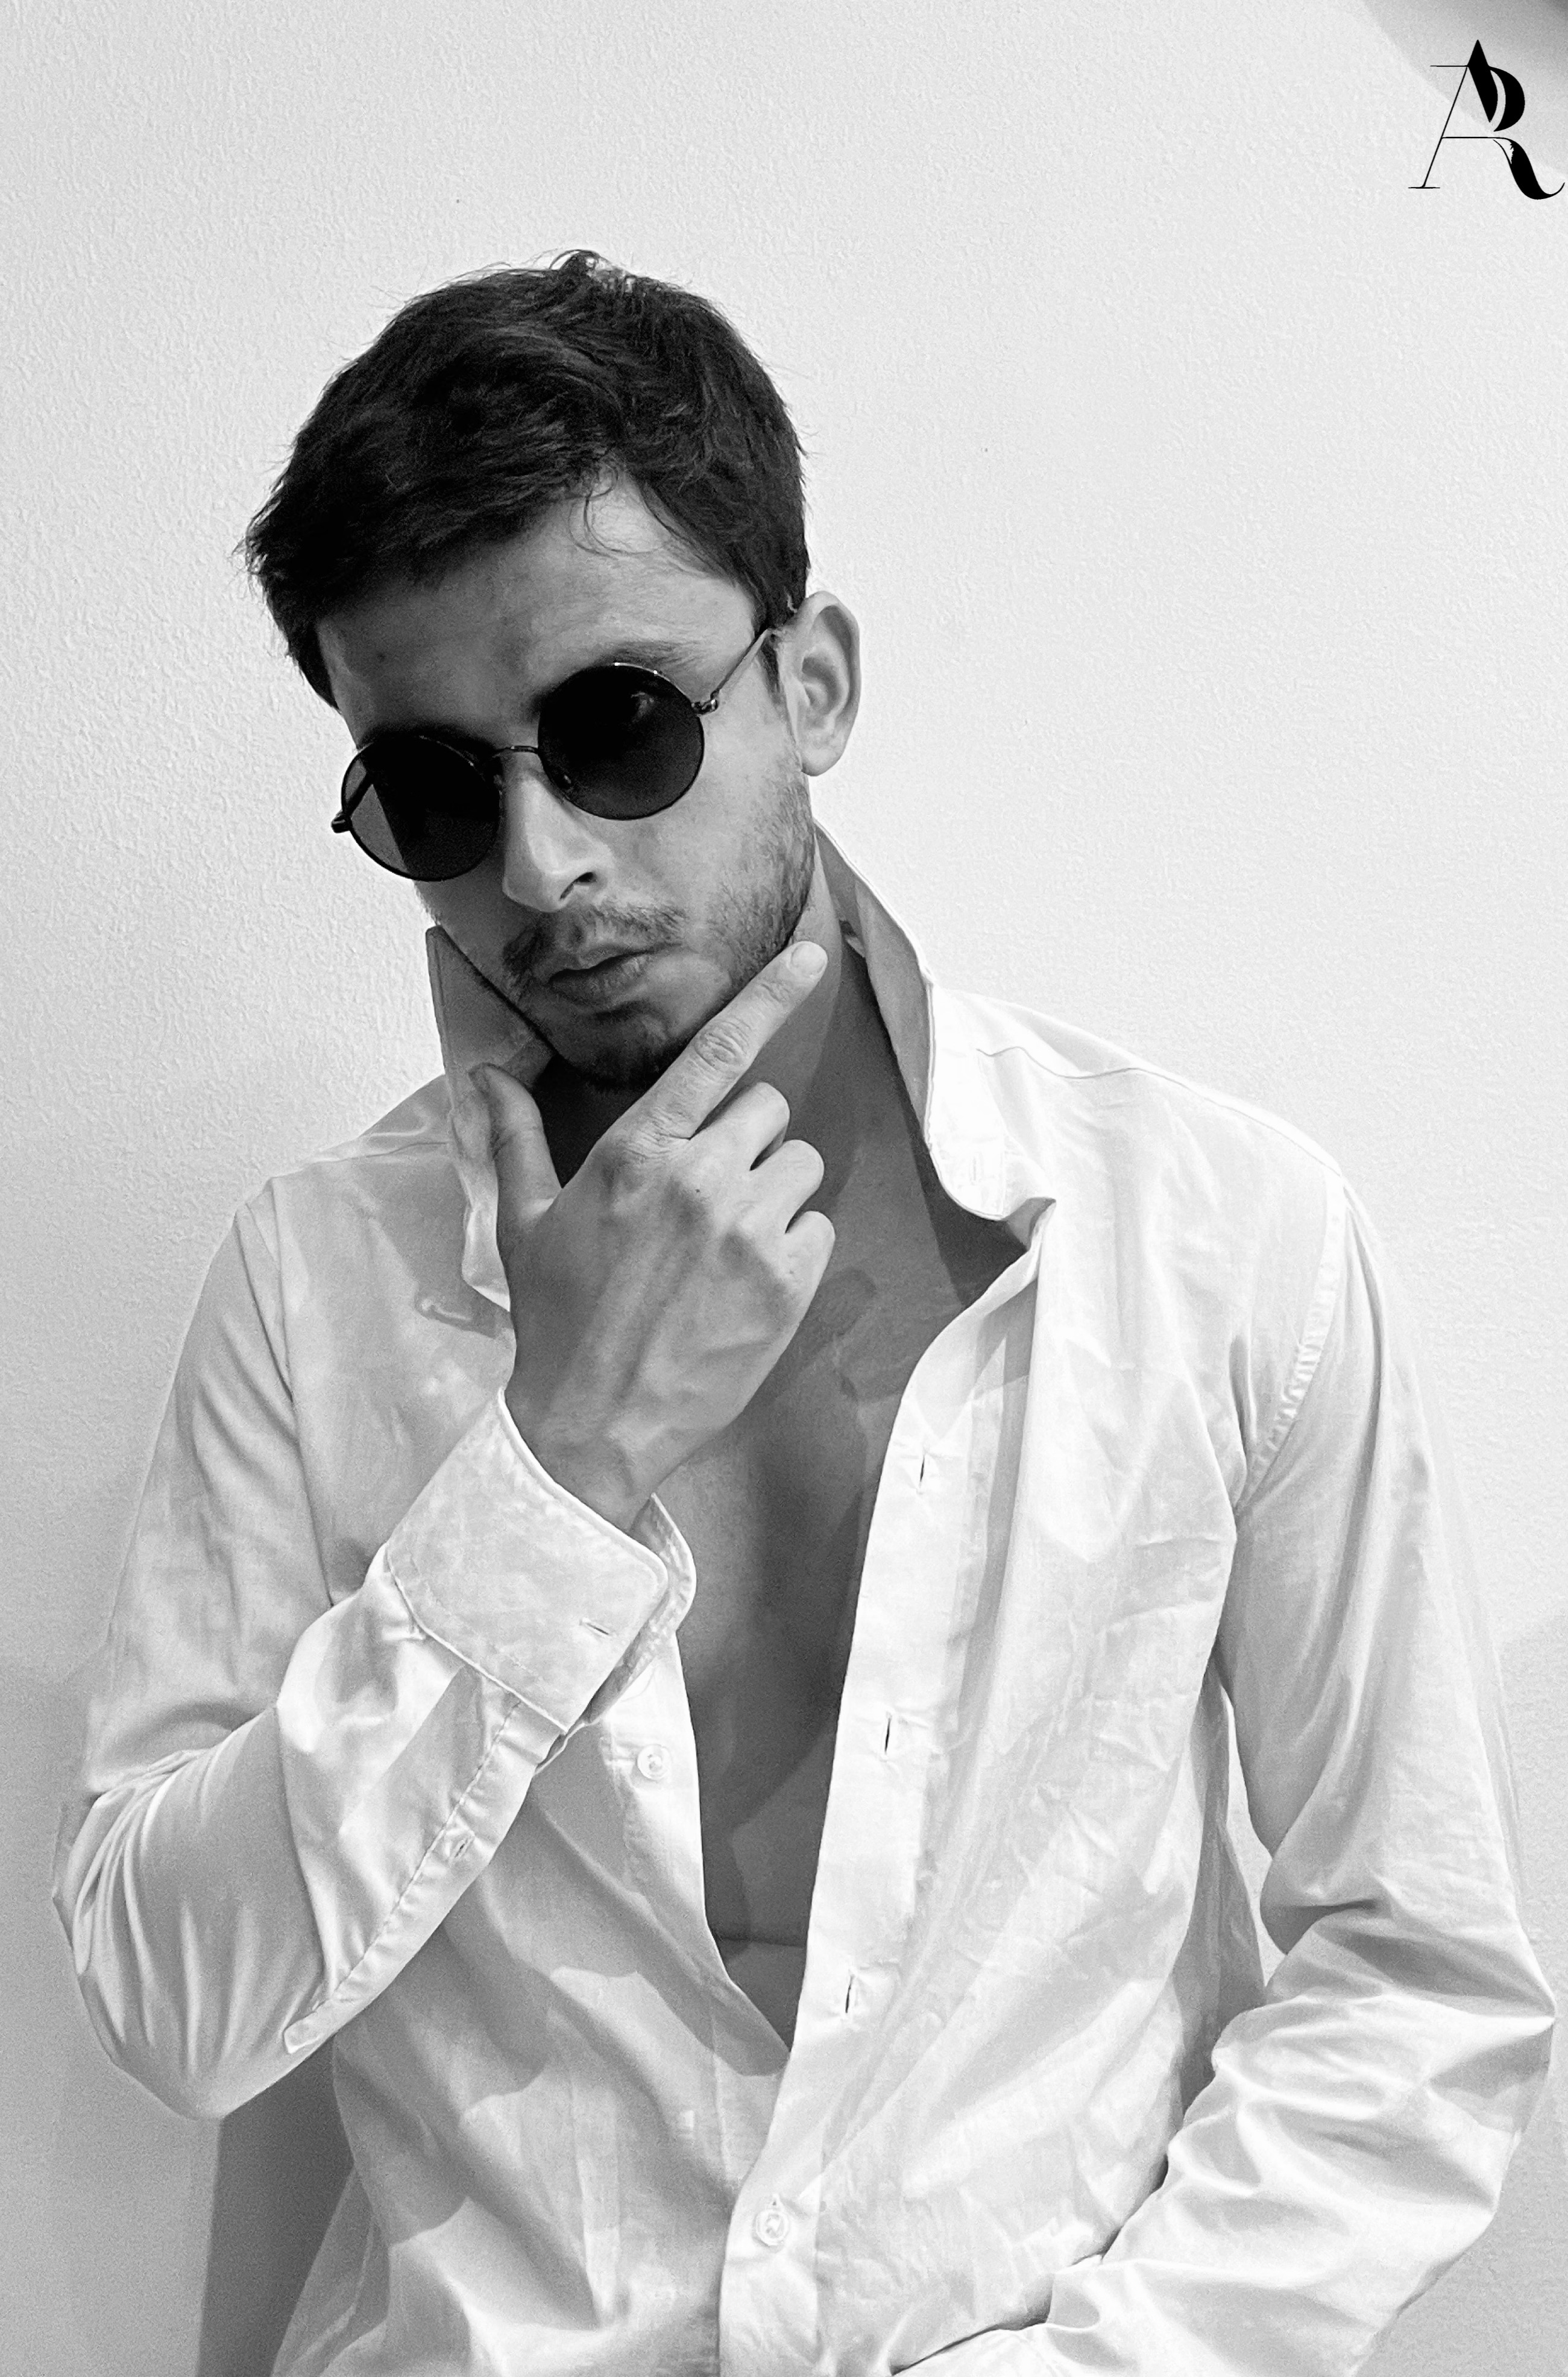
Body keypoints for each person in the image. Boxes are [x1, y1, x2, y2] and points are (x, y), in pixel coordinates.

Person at [54, 251, 1554, 2377]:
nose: (541, 867)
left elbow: (1415, 1974)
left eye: (619, 727)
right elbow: (169, 2005)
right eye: (437, 791)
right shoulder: (314, 1286)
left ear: (813, 685)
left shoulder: (1213, 1236)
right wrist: (552, 1471)